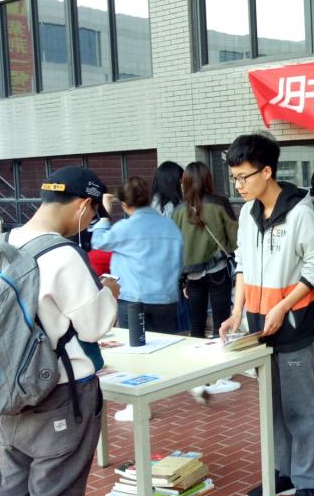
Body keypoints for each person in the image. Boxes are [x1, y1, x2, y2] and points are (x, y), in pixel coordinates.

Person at [0, 166, 124, 496]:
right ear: (84, 205)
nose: (89, 223)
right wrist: (108, 292)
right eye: (91, 215)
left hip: (9, 393)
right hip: (60, 394)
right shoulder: (62, 254)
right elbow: (94, 326)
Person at [220, 133, 314, 496]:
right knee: (273, 408)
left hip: (294, 325)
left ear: (267, 172)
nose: (239, 185)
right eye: (234, 178)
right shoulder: (248, 214)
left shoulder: (299, 213)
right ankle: (283, 472)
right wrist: (236, 311)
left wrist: (283, 307)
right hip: (257, 328)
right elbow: (242, 264)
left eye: (244, 177)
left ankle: (309, 482)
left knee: (300, 409)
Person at [91, 177, 183, 422]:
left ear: (124, 204)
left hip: (133, 298)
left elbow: (98, 242)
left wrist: (104, 215)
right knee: (162, 350)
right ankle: (161, 392)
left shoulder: (126, 227)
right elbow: (179, 260)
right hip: (166, 297)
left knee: (134, 353)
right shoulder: (169, 226)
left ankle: (138, 406)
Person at [173, 162, 237, 339]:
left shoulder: (178, 211)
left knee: (196, 325)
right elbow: (235, 239)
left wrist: (182, 281)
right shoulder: (220, 203)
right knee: (221, 325)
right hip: (219, 270)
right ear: (208, 179)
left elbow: (176, 249)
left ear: (185, 182)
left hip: (192, 275)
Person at [150, 161, 188, 332]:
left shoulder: (147, 204)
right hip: (170, 272)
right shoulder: (174, 207)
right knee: (178, 324)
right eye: (181, 181)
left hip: (150, 273)